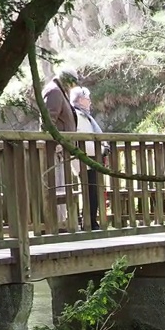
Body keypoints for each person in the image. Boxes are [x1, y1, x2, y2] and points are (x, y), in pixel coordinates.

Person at [41, 69, 80, 223]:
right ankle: (59, 222)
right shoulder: (54, 92)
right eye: (72, 81)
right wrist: (56, 141)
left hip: (62, 148)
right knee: (57, 185)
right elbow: (48, 120)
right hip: (56, 148)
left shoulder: (58, 91)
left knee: (62, 185)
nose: (72, 85)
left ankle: (62, 220)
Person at [70, 86, 105, 230]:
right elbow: (83, 139)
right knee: (90, 191)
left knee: (92, 190)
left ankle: (90, 221)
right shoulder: (77, 115)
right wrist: (102, 149)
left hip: (89, 157)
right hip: (84, 158)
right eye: (87, 98)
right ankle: (89, 223)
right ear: (79, 100)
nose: (90, 101)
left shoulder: (83, 116)